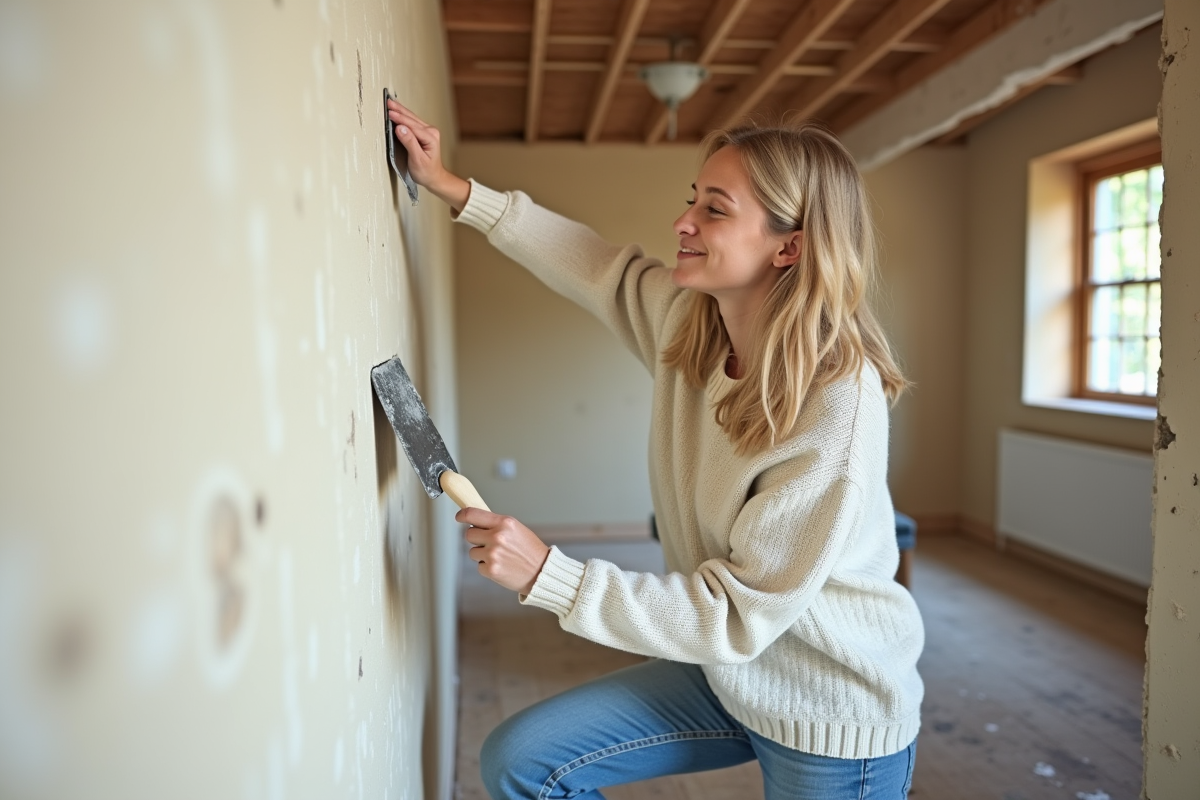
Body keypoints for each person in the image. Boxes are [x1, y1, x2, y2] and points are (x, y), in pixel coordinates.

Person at [387, 98, 924, 800]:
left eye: (716, 210)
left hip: (826, 708)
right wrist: (454, 187)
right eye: (692, 200)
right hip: (725, 675)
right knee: (523, 760)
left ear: (788, 246)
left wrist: (550, 573)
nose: (684, 223)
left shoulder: (834, 405)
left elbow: (735, 614)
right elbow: (597, 265)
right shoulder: (693, 327)